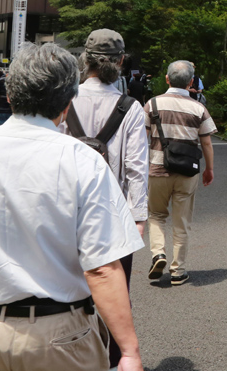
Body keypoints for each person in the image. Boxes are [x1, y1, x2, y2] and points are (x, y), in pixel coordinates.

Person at [0, 42, 144, 371]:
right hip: (56, 335)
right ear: (68, 103)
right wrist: (128, 350)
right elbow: (101, 268)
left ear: (10, 95)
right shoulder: (82, 160)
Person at [62, 29, 149, 370]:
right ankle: (114, 362)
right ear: (121, 62)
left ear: (84, 61)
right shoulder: (129, 107)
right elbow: (136, 168)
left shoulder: (65, 100)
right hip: (113, 215)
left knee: (70, 291)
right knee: (115, 294)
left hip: (68, 211)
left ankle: (74, 357)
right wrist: (139, 217)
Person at [143, 60, 216, 286]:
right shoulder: (198, 108)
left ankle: (158, 254)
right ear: (191, 82)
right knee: (181, 222)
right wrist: (209, 169)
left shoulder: (152, 104)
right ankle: (178, 271)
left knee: (156, 215)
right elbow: (206, 143)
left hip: (156, 168)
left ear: (167, 79)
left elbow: (141, 139)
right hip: (187, 172)